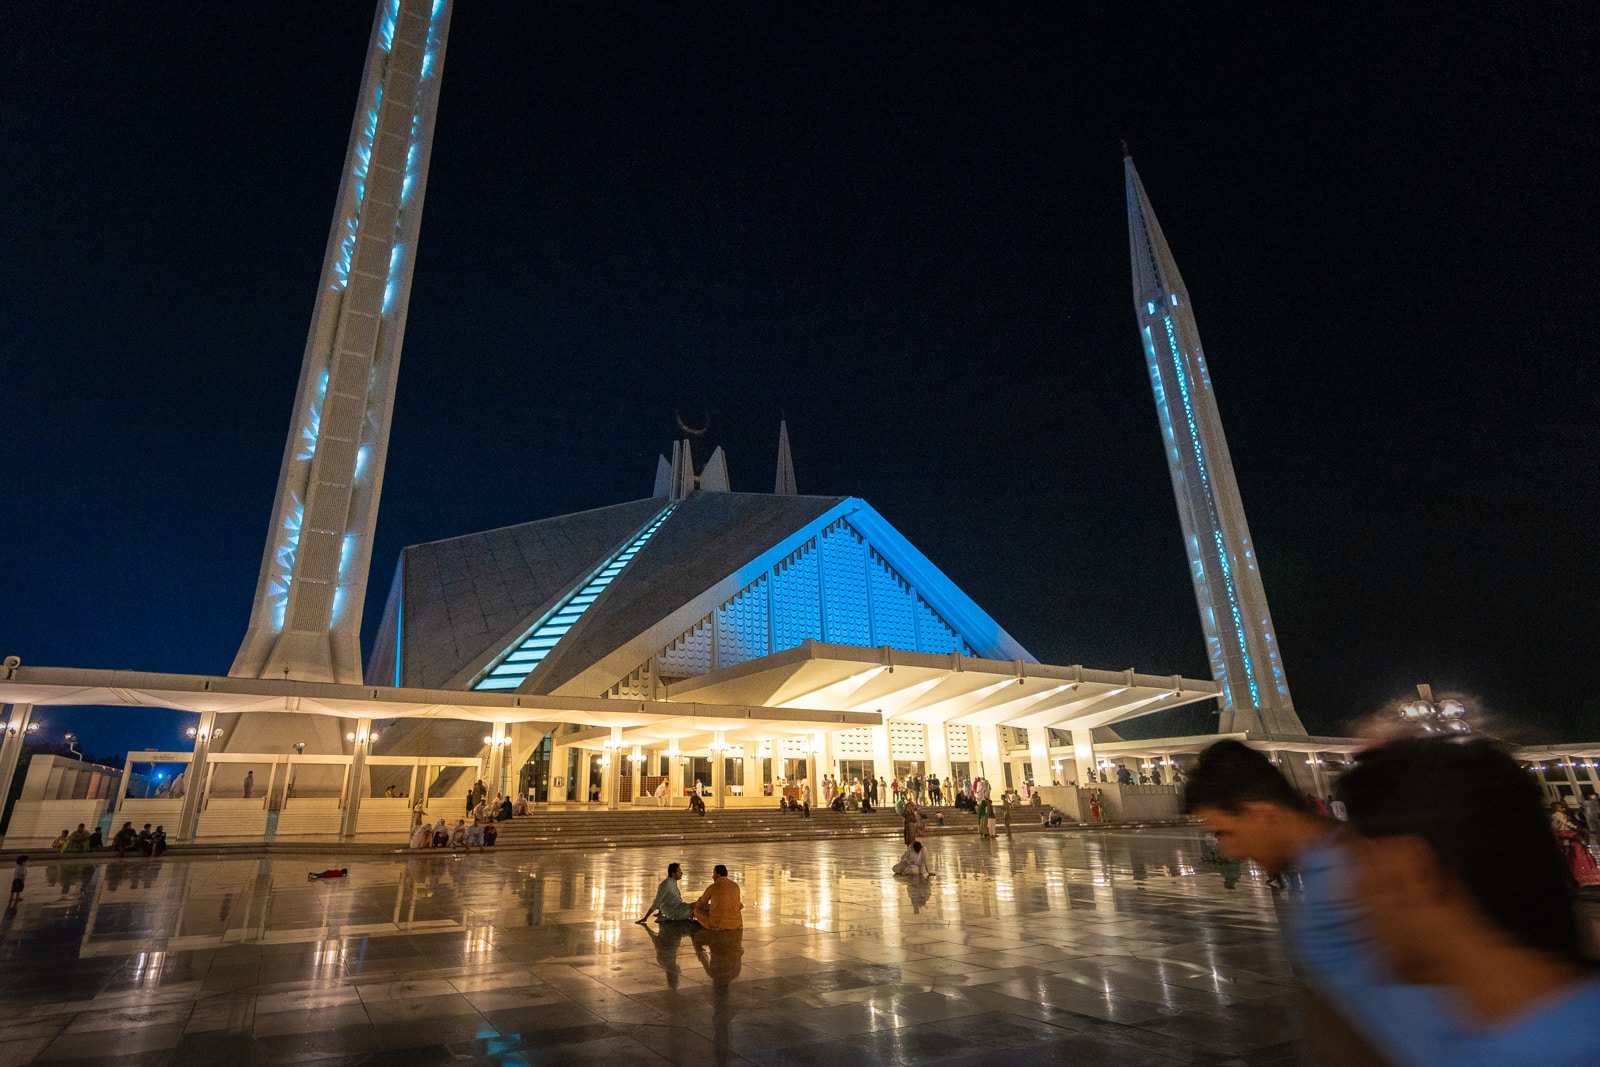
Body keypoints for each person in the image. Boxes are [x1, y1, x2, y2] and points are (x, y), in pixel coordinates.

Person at [1550, 800, 1600, 888]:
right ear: (1557, 809)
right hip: (1568, 836)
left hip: (1568, 837)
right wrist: (1576, 828)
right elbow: (1566, 823)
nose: (1564, 809)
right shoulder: (1559, 816)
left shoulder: (1560, 816)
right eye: (1562, 807)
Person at [692, 865, 743, 930]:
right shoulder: (735, 886)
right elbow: (738, 904)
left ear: (718, 875)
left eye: (713, 873)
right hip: (736, 924)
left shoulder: (713, 887)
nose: (712, 876)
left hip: (717, 924)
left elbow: (701, 903)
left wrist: (694, 909)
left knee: (697, 910)